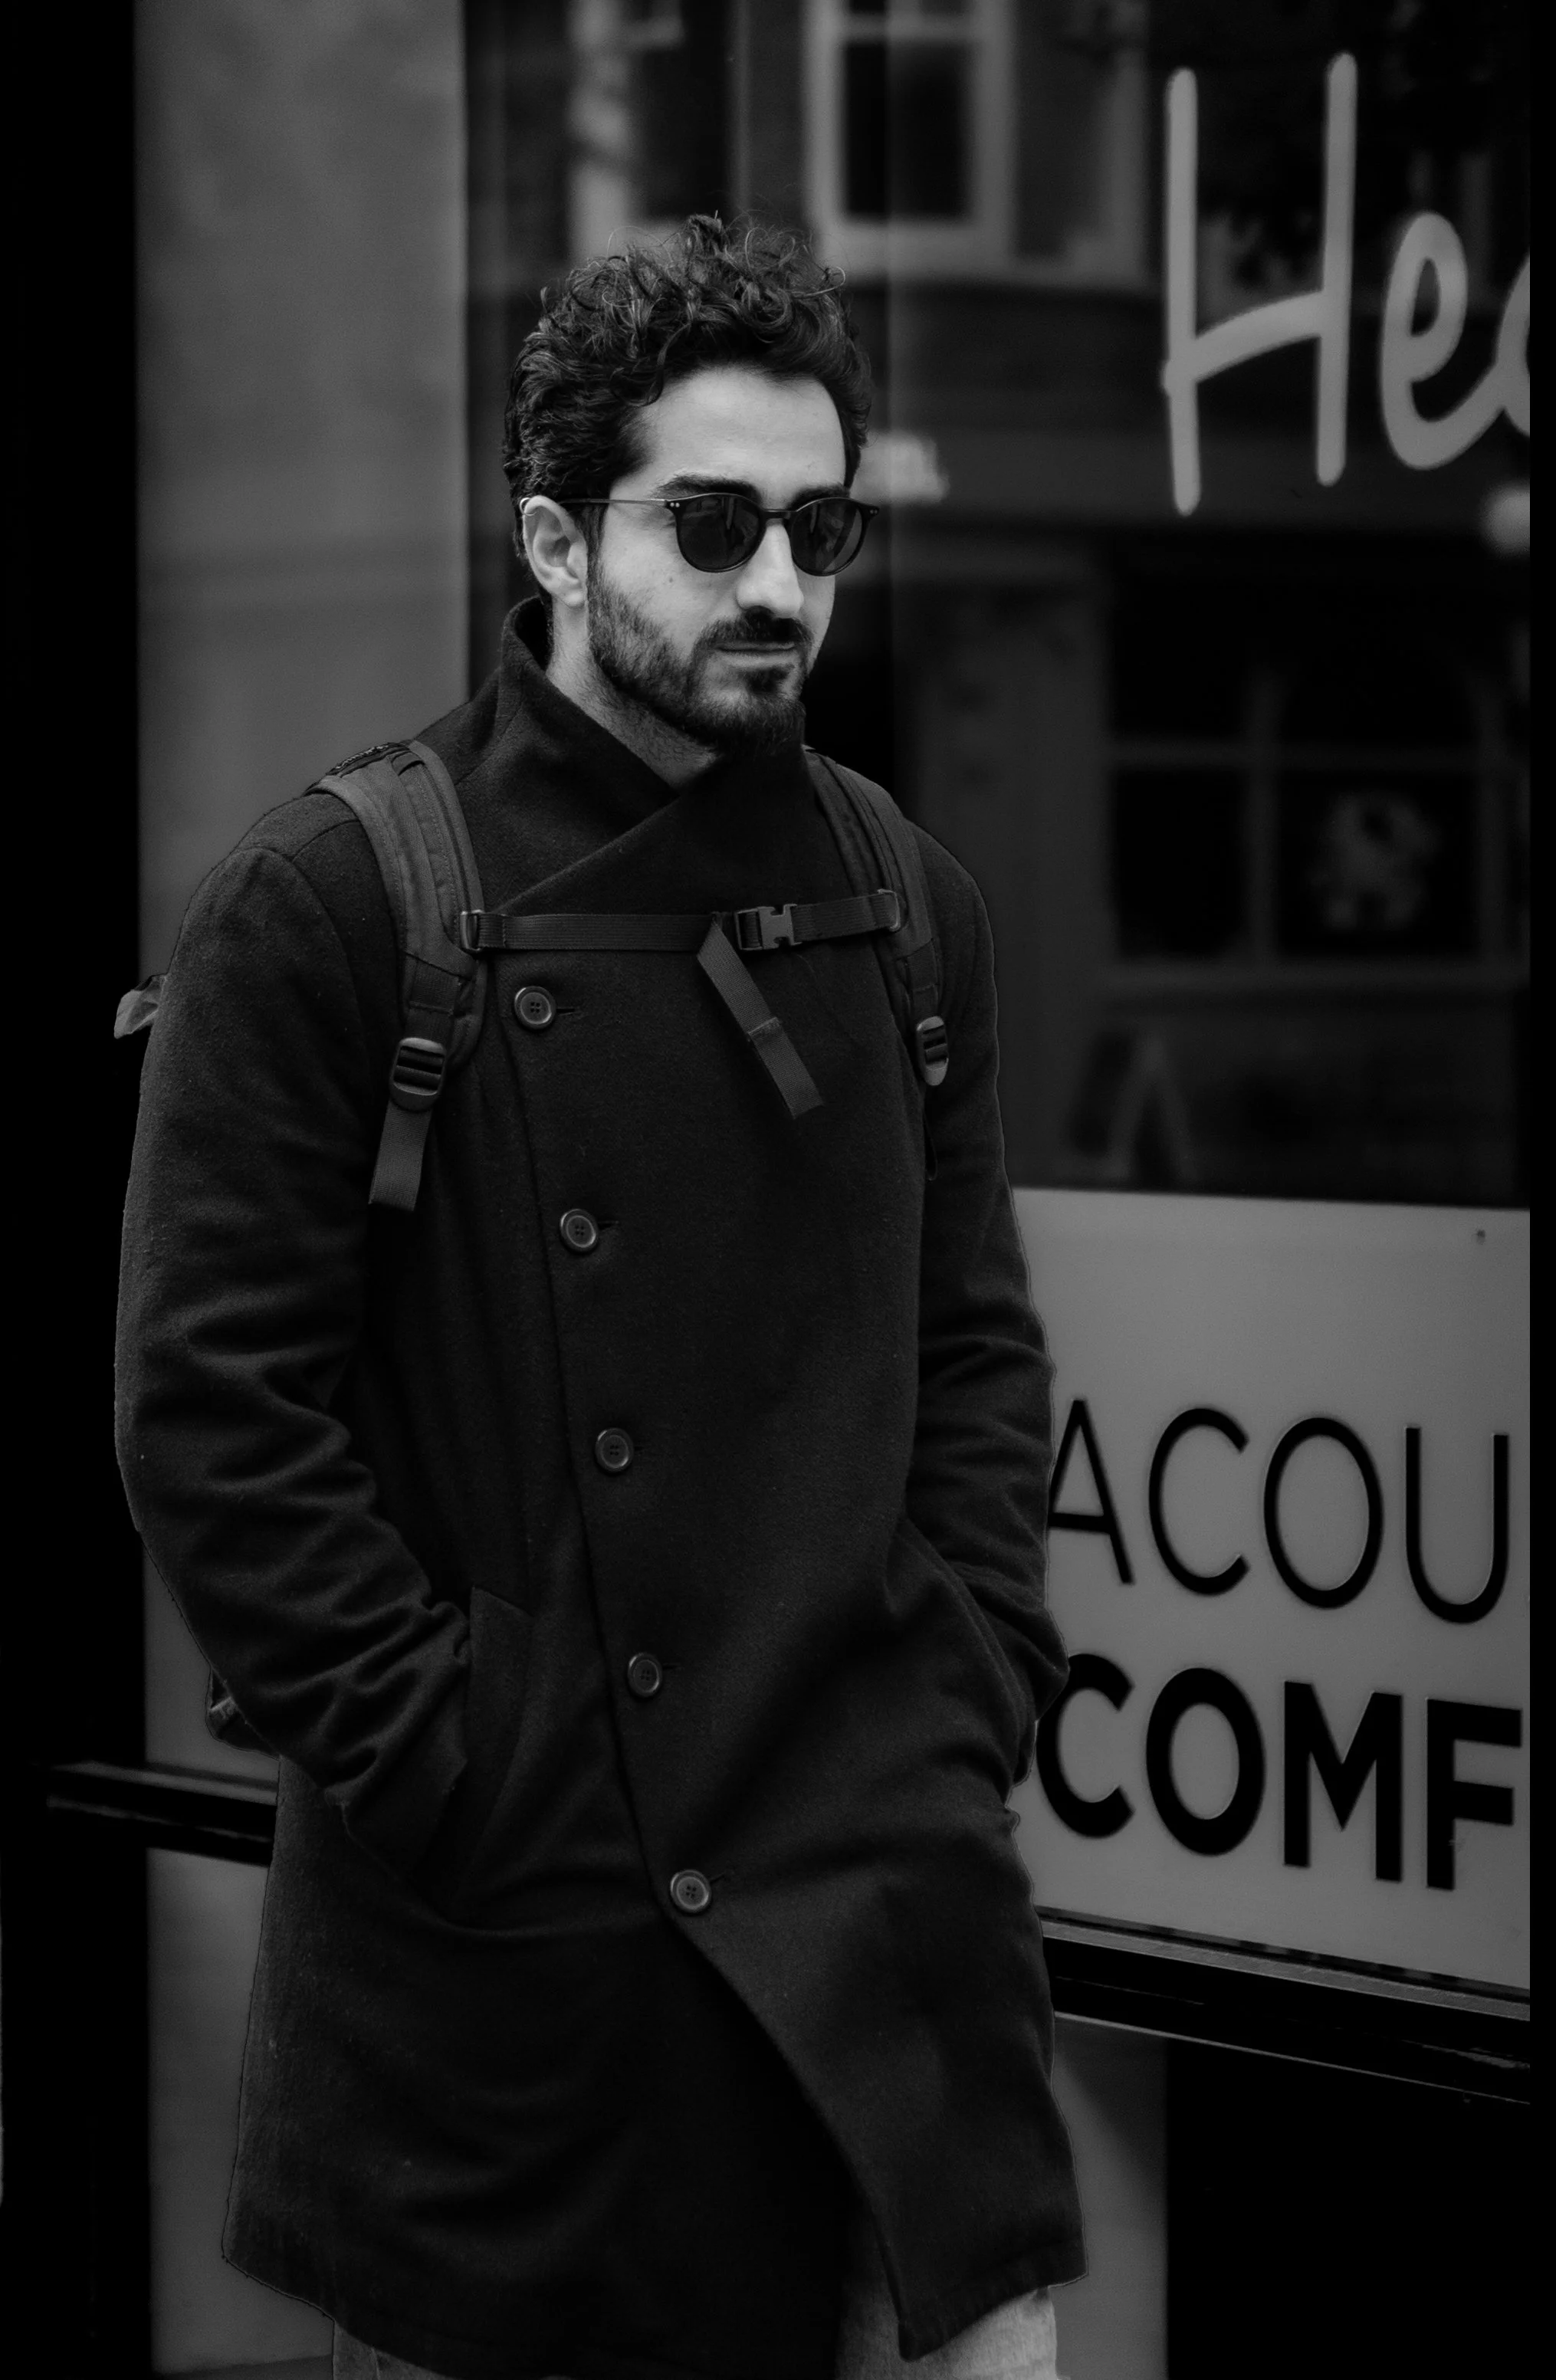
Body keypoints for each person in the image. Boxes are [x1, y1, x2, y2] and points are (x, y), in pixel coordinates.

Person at [116, 215, 1083, 2380]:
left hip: (881, 1926)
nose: (779, 582)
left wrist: (970, 1689)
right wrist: (459, 1759)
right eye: (713, 522)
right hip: (532, 1970)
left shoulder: (904, 896)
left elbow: (973, 1352)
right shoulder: (334, 899)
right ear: (556, 540)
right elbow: (210, 1421)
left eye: (820, 527)